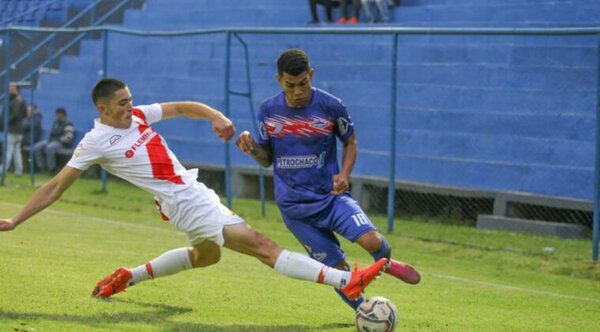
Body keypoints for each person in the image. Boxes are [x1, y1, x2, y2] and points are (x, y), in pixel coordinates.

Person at [0, 78, 387, 302]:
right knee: (262, 246)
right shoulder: (95, 142)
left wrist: (215, 115)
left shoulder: (136, 116)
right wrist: (17, 220)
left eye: (130, 100)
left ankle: (128, 276)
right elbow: (54, 188)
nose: (130, 107)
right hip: (184, 199)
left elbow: (182, 106)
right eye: (121, 103)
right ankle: (344, 280)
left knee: (206, 257)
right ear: (102, 109)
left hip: (188, 193)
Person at [236, 49, 421, 310]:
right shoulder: (268, 111)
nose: (298, 91)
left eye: (303, 83)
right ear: (280, 81)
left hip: (330, 197)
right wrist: (251, 147)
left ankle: (387, 263)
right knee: (338, 271)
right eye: (291, 86)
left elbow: (350, 142)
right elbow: (267, 159)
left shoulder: (331, 106)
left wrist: (344, 174)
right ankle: (365, 313)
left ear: (311, 75)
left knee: (372, 241)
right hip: (295, 209)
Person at [32, 107, 75, 173]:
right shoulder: (56, 122)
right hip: (52, 140)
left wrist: (58, 140)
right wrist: (51, 139)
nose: (58, 115)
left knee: (49, 147)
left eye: (60, 114)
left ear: (63, 114)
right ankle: (41, 167)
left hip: (62, 143)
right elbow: (52, 134)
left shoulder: (68, 123)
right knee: (37, 147)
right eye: (57, 114)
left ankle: (51, 169)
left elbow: (68, 138)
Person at [0, 84, 27, 177]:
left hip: (12, 129)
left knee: (8, 150)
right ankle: (19, 171)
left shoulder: (15, 100)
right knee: (16, 151)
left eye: (12, 89)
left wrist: (5, 122)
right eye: (9, 88)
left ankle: (2, 170)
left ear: (17, 90)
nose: (10, 90)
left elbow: (15, 114)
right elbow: (24, 114)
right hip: (18, 129)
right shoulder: (21, 100)